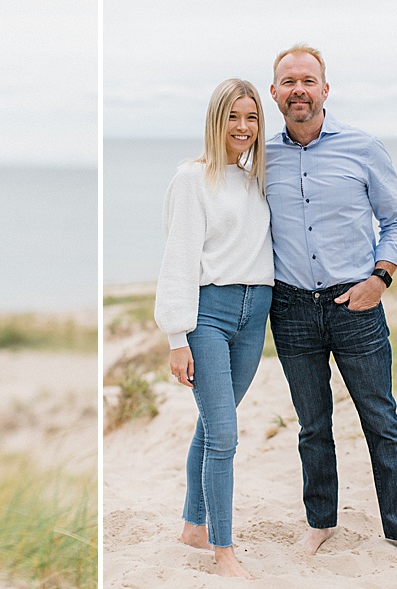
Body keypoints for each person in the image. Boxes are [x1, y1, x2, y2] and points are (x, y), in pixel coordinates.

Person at [265, 44, 397, 565]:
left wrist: (380, 279)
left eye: (308, 80)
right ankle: (320, 523)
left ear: (325, 89)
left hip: (356, 304)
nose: (299, 89)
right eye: (288, 81)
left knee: (381, 420)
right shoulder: (259, 158)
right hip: (291, 308)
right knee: (312, 427)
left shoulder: (363, 147)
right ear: (274, 93)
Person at [154, 78, 273, 579]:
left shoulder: (255, 182)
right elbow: (178, 259)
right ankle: (224, 552)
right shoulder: (190, 178)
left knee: (212, 426)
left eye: (251, 118)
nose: (242, 127)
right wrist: (176, 338)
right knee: (225, 434)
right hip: (209, 315)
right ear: (215, 120)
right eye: (233, 117)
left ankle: (193, 526)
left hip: (256, 312)